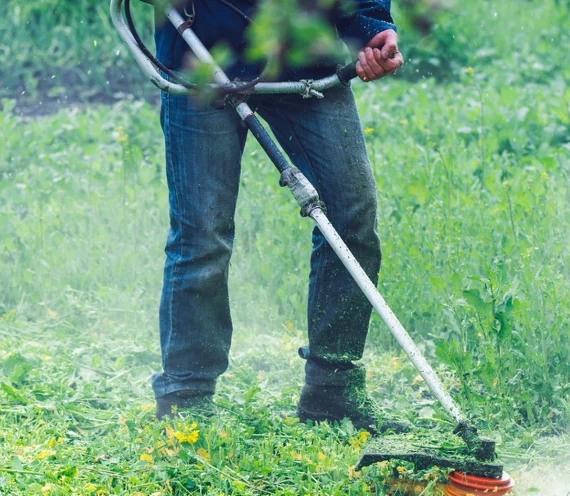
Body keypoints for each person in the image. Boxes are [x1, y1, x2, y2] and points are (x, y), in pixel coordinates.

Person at [152, 0, 408, 433]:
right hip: (202, 53)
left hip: (306, 57)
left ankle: (333, 388)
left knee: (351, 218)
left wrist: (372, 26)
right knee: (203, 235)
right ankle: (186, 397)